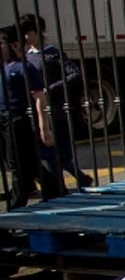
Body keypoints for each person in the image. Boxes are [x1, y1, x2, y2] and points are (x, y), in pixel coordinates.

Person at [19, 14, 92, 188]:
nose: (24, 38)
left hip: (55, 109)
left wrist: (50, 88)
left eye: (27, 33)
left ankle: (64, 187)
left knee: (57, 152)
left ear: (36, 32)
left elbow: (75, 74)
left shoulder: (53, 53)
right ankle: (77, 179)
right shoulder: (27, 56)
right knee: (48, 152)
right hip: (36, 110)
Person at [0, 25, 60, 208]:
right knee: (31, 165)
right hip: (3, 120)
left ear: (15, 45)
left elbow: (40, 98)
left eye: (1, 43)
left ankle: (15, 209)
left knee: (17, 167)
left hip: (17, 121)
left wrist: (44, 127)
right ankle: (57, 191)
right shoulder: (3, 67)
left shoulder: (23, 68)